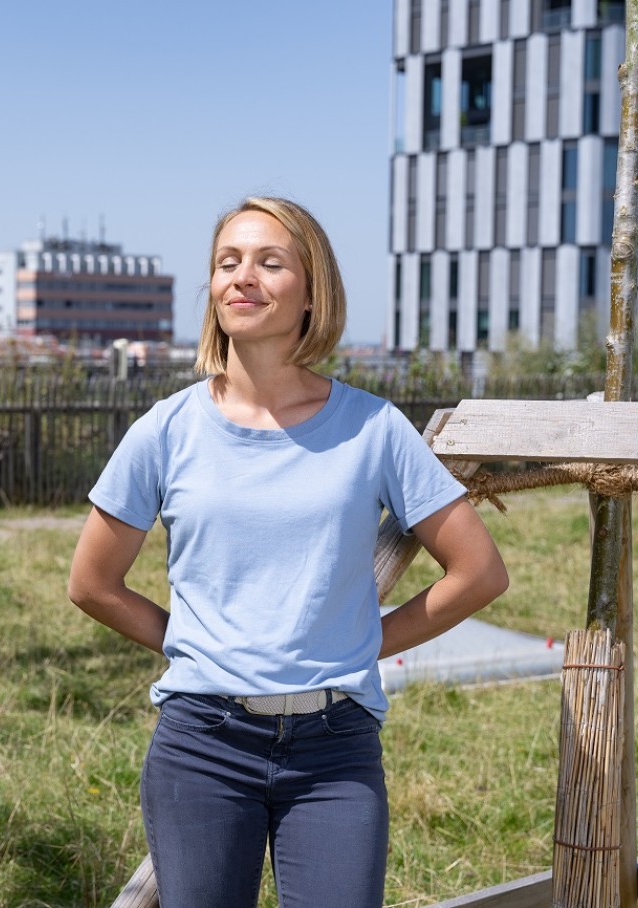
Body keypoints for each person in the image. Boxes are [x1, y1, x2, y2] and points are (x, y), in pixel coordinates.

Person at [68, 196, 509, 908]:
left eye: (270, 262)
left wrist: (365, 641)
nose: (243, 278)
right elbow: (92, 584)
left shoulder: (373, 428)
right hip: (202, 746)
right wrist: (198, 649)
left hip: (336, 752)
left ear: (313, 292)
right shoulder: (165, 430)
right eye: (228, 262)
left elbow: (480, 572)